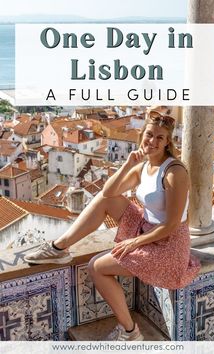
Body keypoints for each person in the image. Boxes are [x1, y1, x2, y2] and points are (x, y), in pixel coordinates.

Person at [24, 108, 201, 341]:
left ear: (168, 142)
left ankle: (130, 332)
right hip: (146, 227)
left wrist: (134, 241)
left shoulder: (174, 172)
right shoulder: (143, 166)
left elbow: (171, 225)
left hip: (168, 244)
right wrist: (128, 164)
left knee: (96, 266)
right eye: (149, 135)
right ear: (142, 136)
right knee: (104, 200)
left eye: (160, 138)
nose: (153, 141)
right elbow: (108, 192)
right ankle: (58, 248)